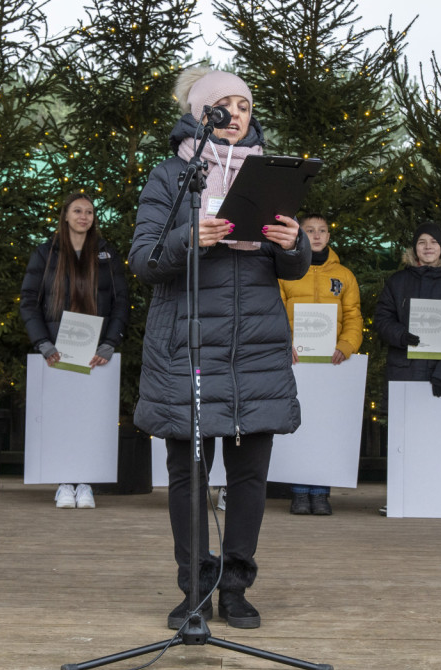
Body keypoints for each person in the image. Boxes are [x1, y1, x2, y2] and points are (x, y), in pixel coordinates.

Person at [129, 67, 310, 630]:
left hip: (255, 347)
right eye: (225, 105)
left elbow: (296, 264)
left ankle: (235, 586)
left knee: (250, 475)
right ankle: (195, 588)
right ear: (201, 112)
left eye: (246, 106)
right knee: (188, 473)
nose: (238, 115)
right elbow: (143, 260)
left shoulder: (272, 175)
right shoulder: (170, 176)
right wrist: (192, 238)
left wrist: (293, 243)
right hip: (188, 348)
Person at [19, 192, 129, 509]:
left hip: (97, 351)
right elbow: (29, 302)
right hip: (56, 351)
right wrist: (43, 343)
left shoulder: (107, 254)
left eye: (90, 212)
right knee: (61, 416)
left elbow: (122, 302)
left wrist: (110, 343)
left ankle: (86, 484)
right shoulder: (45, 253)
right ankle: (64, 482)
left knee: (90, 418)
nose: (84, 216)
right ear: (65, 216)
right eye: (77, 211)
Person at [373, 222, 441, 515]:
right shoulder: (397, 282)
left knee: (440, 436)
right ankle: (401, 496)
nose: (428, 246)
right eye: (422, 242)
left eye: (434, 242)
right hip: (404, 369)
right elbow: (382, 320)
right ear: (414, 248)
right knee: (403, 438)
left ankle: (438, 496)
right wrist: (401, 335)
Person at [279, 213, 363, 516]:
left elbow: (353, 315)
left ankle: (321, 493)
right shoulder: (284, 271)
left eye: (323, 230)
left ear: (329, 236)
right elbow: (273, 309)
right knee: (299, 423)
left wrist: (347, 345)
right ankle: (300, 493)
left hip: (331, 366)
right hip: (295, 362)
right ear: (299, 234)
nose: (317, 235)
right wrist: (283, 343)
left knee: (327, 425)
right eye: (310, 230)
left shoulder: (344, 275)